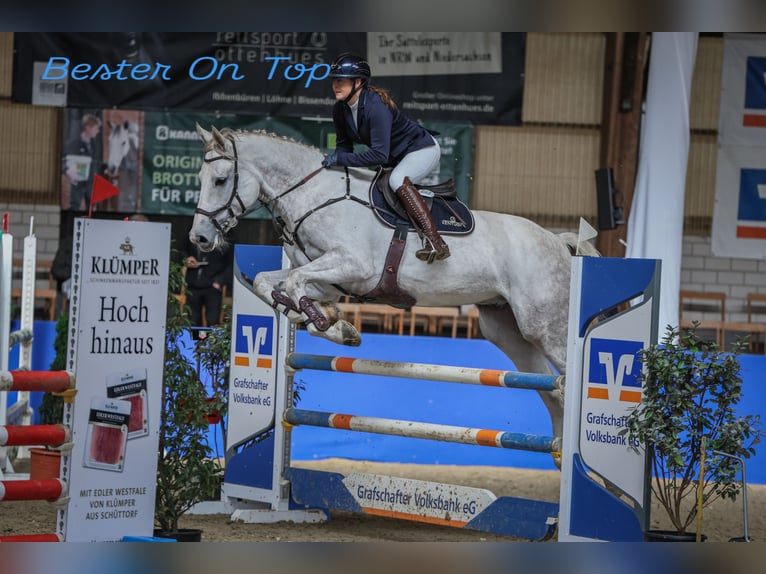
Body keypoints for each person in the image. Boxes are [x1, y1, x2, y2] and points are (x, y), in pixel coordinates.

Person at [322, 53, 450, 263]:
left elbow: (378, 155)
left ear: (358, 82)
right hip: (395, 157)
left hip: (421, 149)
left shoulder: (376, 107)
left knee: (396, 180)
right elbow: (344, 146)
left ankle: (435, 241)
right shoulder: (340, 109)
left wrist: (338, 160)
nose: (336, 85)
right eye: (335, 80)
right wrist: (338, 169)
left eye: (341, 80)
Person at [180, 234, 233, 337]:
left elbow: (230, 263)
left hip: (212, 286)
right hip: (193, 285)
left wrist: (219, 281)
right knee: (193, 321)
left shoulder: (223, 236)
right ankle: (195, 346)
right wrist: (186, 258)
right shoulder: (193, 232)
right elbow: (181, 250)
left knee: (212, 321)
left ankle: (210, 348)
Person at [63, 113, 103, 212]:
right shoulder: (74, 143)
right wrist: (68, 172)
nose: (98, 131)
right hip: (78, 182)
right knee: (75, 207)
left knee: (91, 208)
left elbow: (95, 162)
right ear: (88, 128)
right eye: (96, 128)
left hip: (90, 183)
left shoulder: (94, 144)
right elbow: (64, 160)